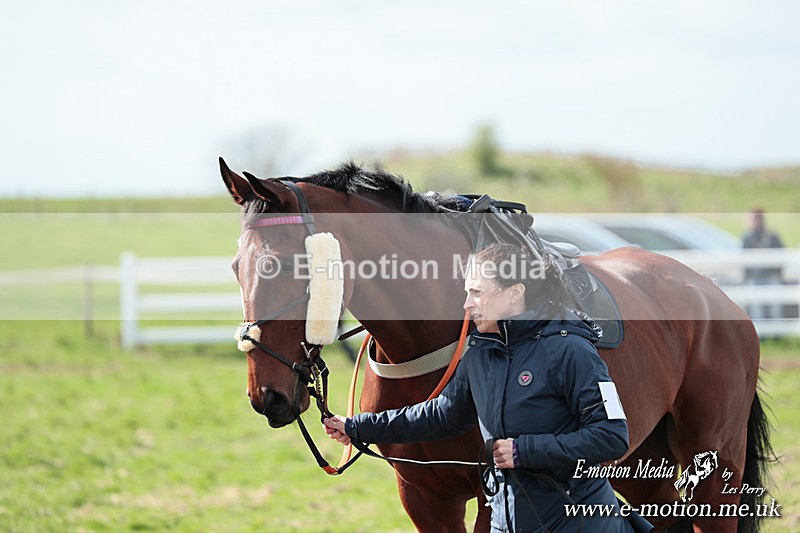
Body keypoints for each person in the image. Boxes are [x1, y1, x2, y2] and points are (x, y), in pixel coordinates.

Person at [324, 243, 651, 532]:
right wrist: (358, 427)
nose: (467, 304)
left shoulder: (572, 351)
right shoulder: (481, 353)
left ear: (514, 293)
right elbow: (443, 415)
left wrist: (524, 451)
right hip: (506, 521)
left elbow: (612, 436)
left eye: (477, 292)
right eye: (467, 292)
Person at [742, 208, 784, 320]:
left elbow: (781, 254)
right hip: (755, 277)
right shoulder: (747, 238)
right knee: (757, 309)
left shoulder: (772, 236)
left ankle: (777, 334)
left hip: (771, 276)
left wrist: (777, 273)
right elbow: (743, 259)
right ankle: (761, 334)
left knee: (775, 307)